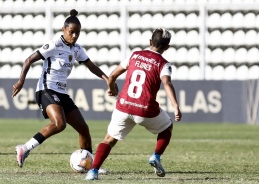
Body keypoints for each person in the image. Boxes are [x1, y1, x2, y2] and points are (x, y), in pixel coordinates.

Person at [12, 9, 114, 171]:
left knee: (83, 128)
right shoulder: (54, 44)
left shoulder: (77, 49)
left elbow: (91, 66)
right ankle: (25, 148)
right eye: (71, 32)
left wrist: (108, 79)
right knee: (60, 124)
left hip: (61, 92)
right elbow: (29, 59)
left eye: (77, 33)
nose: (74, 36)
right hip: (46, 89)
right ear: (63, 30)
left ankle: (90, 166)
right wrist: (21, 81)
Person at [85, 28, 182, 180]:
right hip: (145, 109)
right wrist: (176, 106)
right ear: (167, 47)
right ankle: (156, 156)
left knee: (108, 140)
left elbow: (112, 76)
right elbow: (167, 83)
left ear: (150, 42)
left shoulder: (134, 55)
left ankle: (93, 171)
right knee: (167, 127)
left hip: (124, 105)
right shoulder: (164, 64)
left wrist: (111, 88)